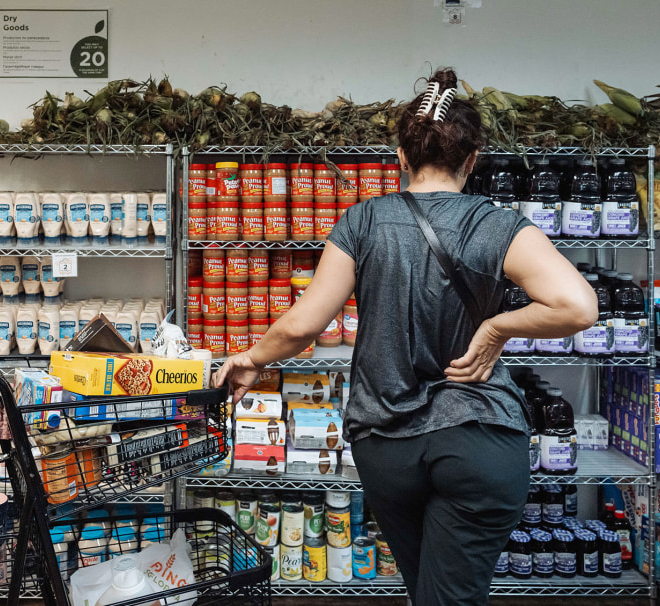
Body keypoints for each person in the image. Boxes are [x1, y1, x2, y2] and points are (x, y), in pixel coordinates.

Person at [213, 67, 598, 605]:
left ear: (400, 157)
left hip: (388, 443)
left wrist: (252, 359)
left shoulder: (363, 222)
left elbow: (303, 325)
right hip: (482, 441)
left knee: (427, 592)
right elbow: (580, 306)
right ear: (472, 159)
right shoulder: (499, 224)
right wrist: (497, 326)